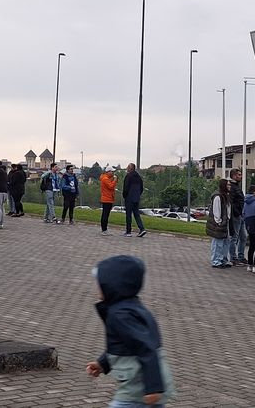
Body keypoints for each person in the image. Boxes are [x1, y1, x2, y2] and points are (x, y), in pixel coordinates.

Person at [85, 255, 175, 407]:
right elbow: (124, 345)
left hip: (139, 387)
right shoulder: (131, 308)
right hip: (143, 384)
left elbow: (146, 347)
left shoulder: (121, 315)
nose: (97, 287)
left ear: (112, 284)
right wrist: (102, 363)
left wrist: (152, 388)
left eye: (100, 283)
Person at [206, 179, 233, 269]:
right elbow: (216, 210)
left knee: (226, 241)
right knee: (218, 242)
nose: (229, 187)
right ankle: (216, 261)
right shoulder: (218, 196)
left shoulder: (226, 196)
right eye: (228, 185)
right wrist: (218, 221)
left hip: (226, 222)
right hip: (220, 222)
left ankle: (223, 259)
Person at [227, 169, 247, 265]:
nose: (241, 176)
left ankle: (241, 256)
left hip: (240, 215)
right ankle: (233, 258)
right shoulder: (232, 187)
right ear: (234, 176)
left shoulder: (236, 187)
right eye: (239, 175)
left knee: (244, 236)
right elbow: (231, 202)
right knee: (234, 237)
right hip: (236, 215)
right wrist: (237, 212)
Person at [122, 163, 146, 237]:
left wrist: (125, 196)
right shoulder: (139, 177)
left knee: (128, 215)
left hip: (129, 198)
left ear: (130, 168)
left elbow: (125, 188)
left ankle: (128, 231)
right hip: (136, 198)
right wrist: (138, 195)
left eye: (128, 167)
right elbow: (141, 188)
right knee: (136, 214)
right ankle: (142, 229)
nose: (127, 168)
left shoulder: (128, 176)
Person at [99, 168, 117, 235]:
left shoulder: (107, 178)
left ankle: (104, 229)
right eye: (112, 172)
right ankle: (104, 229)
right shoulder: (105, 179)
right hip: (106, 199)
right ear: (108, 172)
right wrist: (114, 180)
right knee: (105, 215)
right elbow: (111, 186)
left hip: (109, 198)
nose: (113, 173)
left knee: (106, 214)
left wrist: (113, 179)